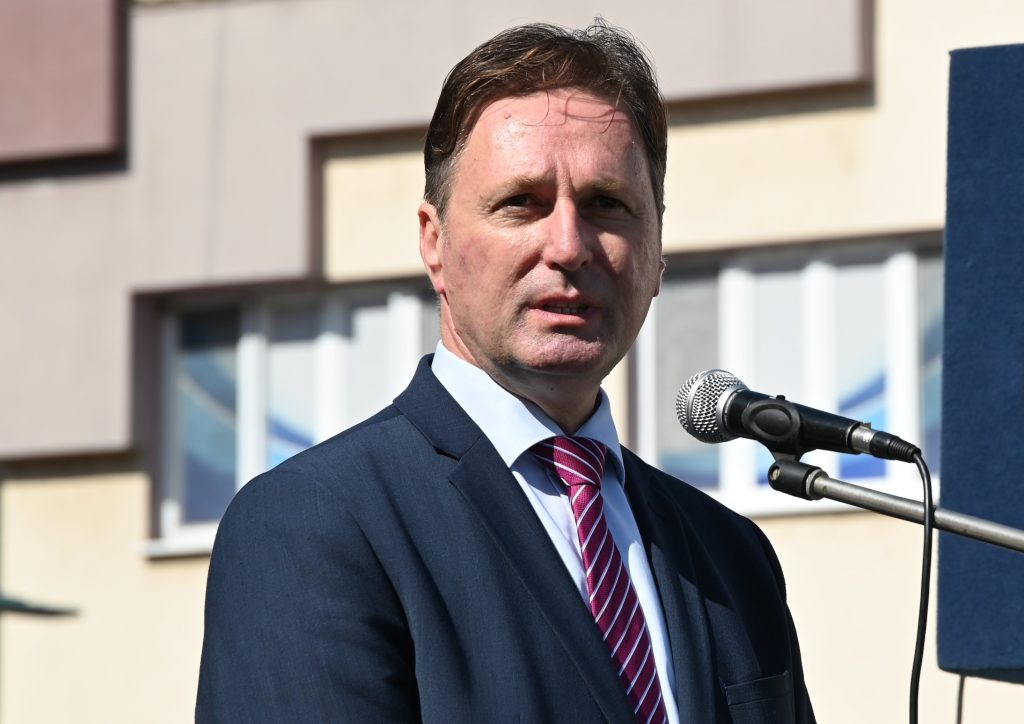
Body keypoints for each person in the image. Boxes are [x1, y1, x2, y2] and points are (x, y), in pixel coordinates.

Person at [197, 20, 815, 723]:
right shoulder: (313, 524)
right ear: (434, 243)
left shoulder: (731, 557)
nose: (569, 246)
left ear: (657, 251)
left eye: (607, 204)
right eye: (522, 203)